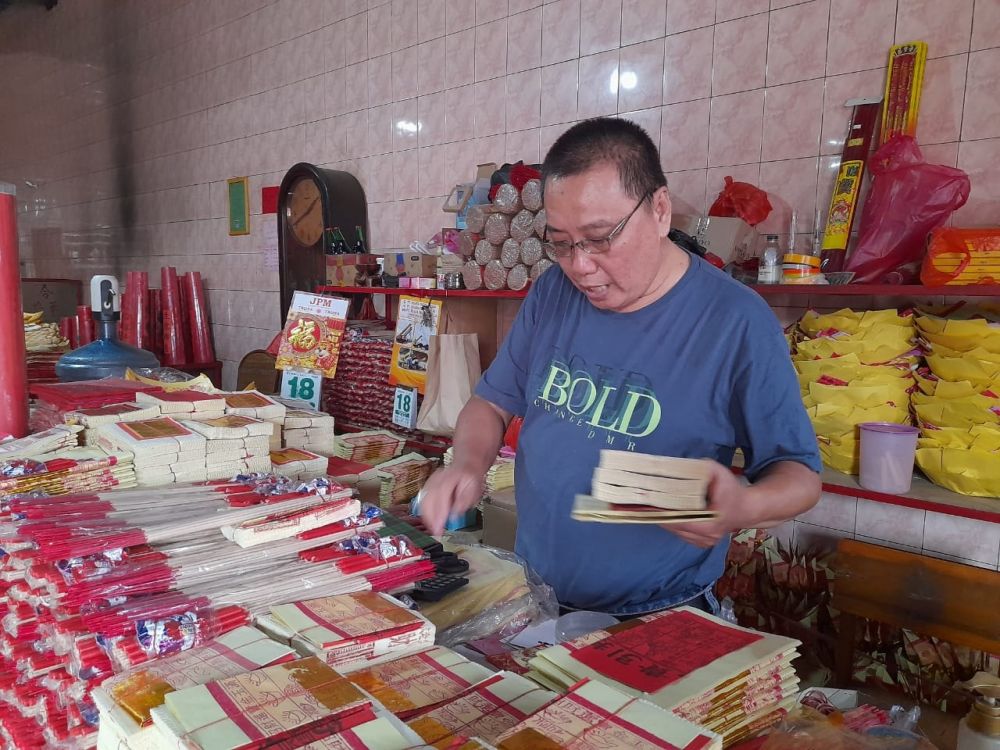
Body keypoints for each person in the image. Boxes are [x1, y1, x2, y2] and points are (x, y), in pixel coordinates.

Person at [420, 117, 822, 616]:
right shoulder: (553, 293)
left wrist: (745, 506)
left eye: (599, 237)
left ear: (658, 209)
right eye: (561, 242)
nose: (580, 265)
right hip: (538, 596)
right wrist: (467, 465)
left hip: (661, 611)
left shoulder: (735, 322)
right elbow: (491, 403)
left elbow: (799, 474)